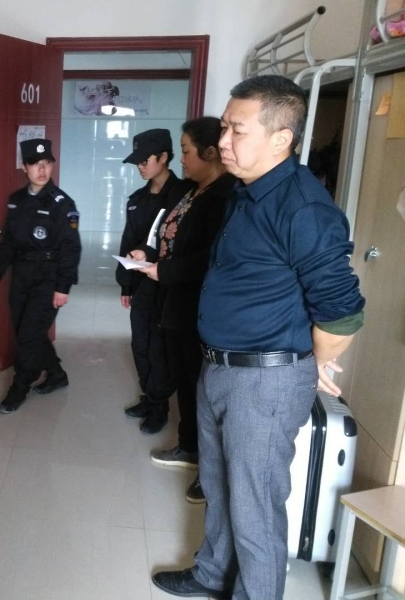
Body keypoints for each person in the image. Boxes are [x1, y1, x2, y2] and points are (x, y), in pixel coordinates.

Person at [152, 75, 365, 600]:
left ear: (280, 138)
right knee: (220, 486)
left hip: (264, 381)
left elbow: (342, 312)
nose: (222, 141)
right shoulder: (245, 191)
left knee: (255, 510)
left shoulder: (303, 208)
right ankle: (211, 574)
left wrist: (310, 364)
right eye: (224, 127)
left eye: (236, 130)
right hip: (221, 367)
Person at [137, 118, 236, 503]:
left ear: (210, 153)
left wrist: (166, 271)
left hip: (198, 306)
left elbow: (211, 256)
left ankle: (204, 467)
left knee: (201, 387)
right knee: (185, 378)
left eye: (186, 151)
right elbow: (173, 238)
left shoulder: (224, 196)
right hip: (176, 300)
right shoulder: (196, 190)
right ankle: (189, 447)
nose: (182, 159)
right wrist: (149, 256)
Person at [0, 138, 82, 414]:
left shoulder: (62, 203)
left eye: (46, 163)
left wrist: (63, 286)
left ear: (52, 165)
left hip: (49, 277)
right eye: (35, 164)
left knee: (29, 336)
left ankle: (20, 387)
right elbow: (9, 242)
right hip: (21, 276)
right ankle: (56, 374)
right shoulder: (16, 201)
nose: (42, 169)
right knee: (28, 332)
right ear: (24, 167)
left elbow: (71, 247)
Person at [116, 129, 184, 434]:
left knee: (159, 348)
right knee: (140, 343)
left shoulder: (184, 196)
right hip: (143, 284)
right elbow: (128, 241)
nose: (140, 167)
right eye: (137, 162)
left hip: (169, 285)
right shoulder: (137, 200)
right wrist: (126, 285)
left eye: (146, 160)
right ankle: (150, 396)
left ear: (164, 157)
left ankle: (159, 406)